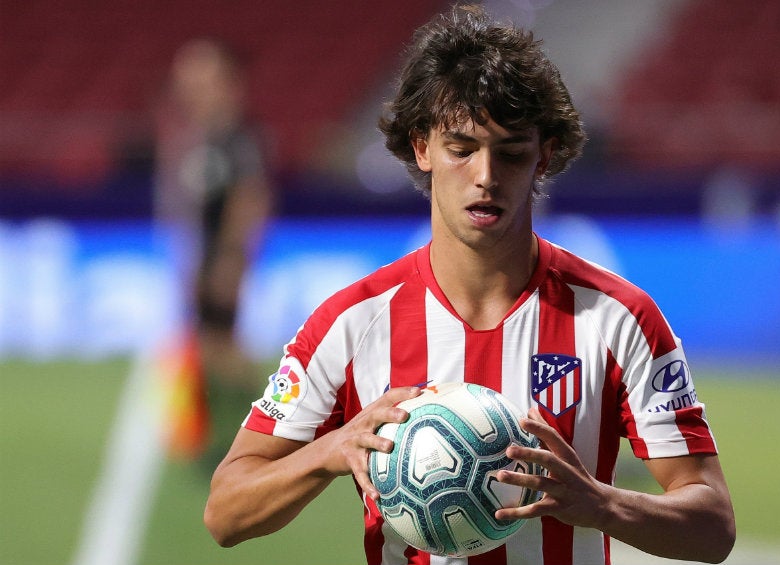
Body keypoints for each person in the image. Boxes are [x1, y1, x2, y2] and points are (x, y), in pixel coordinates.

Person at [204, 4, 735, 564]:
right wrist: (330, 449)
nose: (486, 176)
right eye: (462, 150)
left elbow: (713, 527)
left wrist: (601, 503)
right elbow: (225, 512)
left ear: (545, 155)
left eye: (512, 153)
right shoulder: (352, 323)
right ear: (422, 148)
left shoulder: (618, 318)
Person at [154, 38, 274, 458]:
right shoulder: (198, 135)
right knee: (210, 343)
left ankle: (264, 430)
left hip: (223, 256)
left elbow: (250, 198)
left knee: (222, 345)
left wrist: (232, 257)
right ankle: (229, 433)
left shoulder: (237, 137)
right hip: (204, 254)